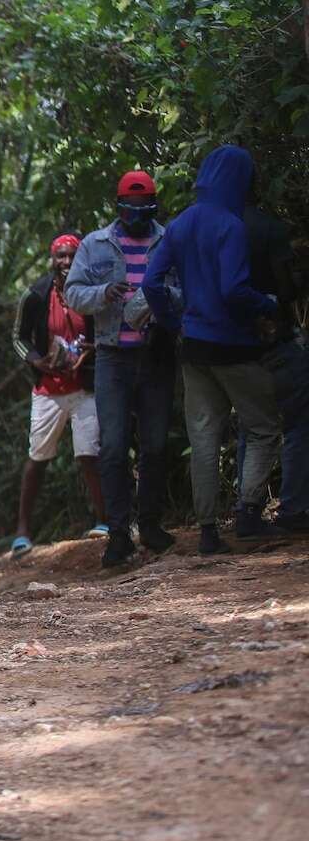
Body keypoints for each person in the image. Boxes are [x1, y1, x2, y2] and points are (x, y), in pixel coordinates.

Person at [144, 145, 285, 553]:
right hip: (234, 345)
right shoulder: (230, 224)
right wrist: (267, 304)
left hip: (194, 346)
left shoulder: (180, 223)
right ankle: (248, 514)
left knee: (203, 437)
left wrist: (174, 323)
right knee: (263, 426)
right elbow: (234, 290)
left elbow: (152, 283)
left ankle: (208, 532)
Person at [64, 171, 179, 569]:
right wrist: (104, 293)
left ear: (153, 207)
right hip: (112, 357)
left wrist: (159, 297)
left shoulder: (168, 240)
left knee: (155, 445)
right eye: (129, 211)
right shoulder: (95, 244)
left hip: (155, 355)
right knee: (112, 447)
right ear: (118, 208)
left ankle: (149, 525)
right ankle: (118, 534)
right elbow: (73, 294)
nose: (136, 217)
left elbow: (186, 288)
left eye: (143, 210)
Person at [10, 233, 109, 556]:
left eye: (72, 256)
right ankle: (22, 531)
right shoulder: (37, 293)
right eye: (61, 257)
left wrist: (92, 351)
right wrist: (37, 361)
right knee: (38, 457)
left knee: (89, 453)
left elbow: (105, 329)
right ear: (52, 259)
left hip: (84, 385)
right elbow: (19, 337)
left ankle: (104, 520)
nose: (66, 263)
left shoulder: (91, 292)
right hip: (49, 389)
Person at [233, 195, 309, 532]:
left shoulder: (213, 228)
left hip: (232, 347)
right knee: (298, 422)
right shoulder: (267, 228)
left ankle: (247, 510)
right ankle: (292, 509)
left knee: (251, 426)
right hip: (275, 340)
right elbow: (287, 287)